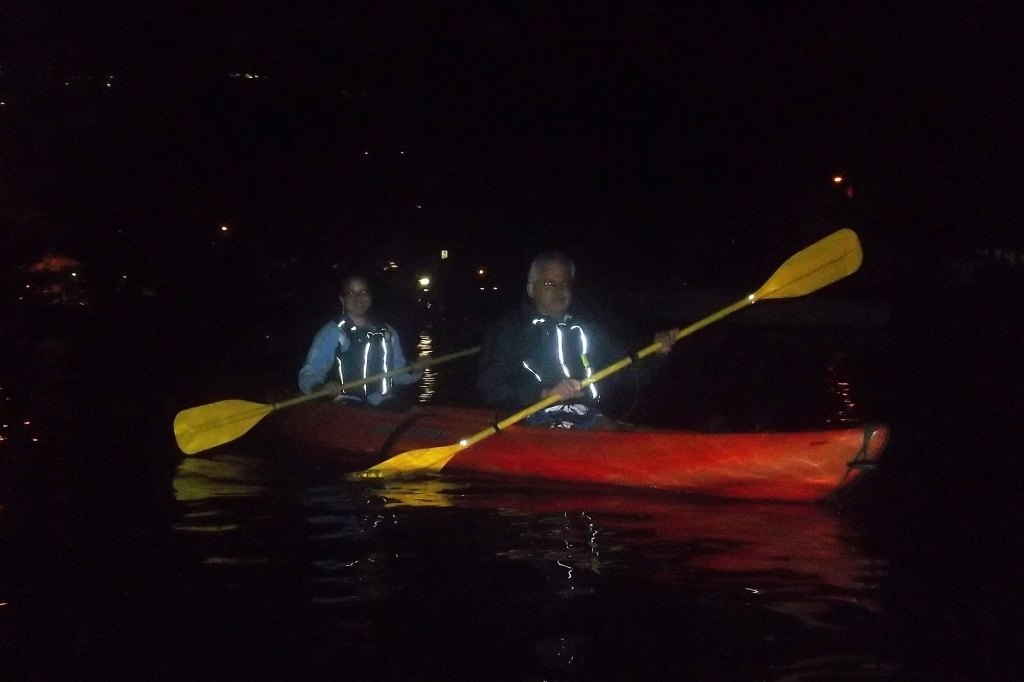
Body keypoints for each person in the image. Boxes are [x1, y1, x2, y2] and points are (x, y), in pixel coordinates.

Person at [477, 251, 678, 429]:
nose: (559, 289)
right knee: (600, 428)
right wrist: (544, 393)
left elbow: (628, 371)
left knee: (613, 428)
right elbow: (492, 387)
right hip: (530, 420)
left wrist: (657, 353)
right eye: (549, 283)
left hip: (588, 415)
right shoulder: (508, 331)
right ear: (531, 288)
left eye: (565, 283)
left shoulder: (588, 330)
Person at [298, 272, 421, 406]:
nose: (358, 298)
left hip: (384, 402)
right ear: (342, 299)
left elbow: (398, 375)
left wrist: (415, 370)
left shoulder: (388, 333)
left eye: (363, 292)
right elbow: (309, 373)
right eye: (351, 293)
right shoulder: (332, 333)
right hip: (346, 405)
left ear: (370, 296)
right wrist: (320, 388)